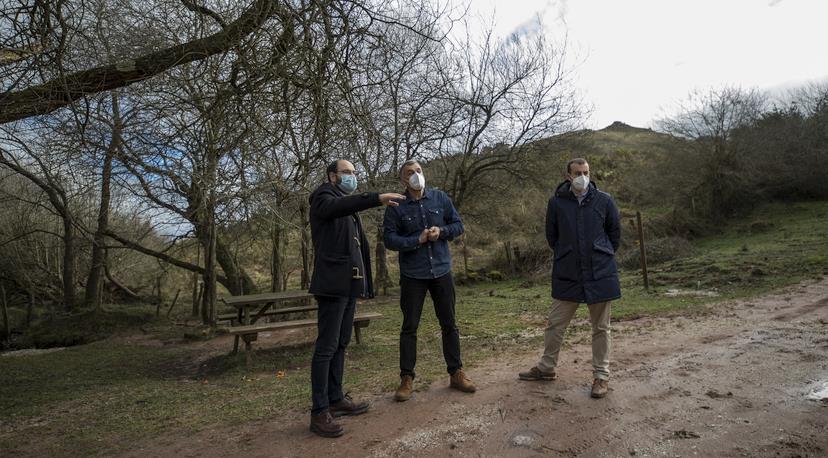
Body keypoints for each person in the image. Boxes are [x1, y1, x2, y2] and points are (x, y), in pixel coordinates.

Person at [308, 159, 405, 438]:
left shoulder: (348, 206)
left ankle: (336, 398)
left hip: (349, 286)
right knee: (326, 347)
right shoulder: (323, 197)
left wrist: (365, 286)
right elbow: (337, 207)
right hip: (331, 285)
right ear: (332, 176)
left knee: (340, 343)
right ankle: (319, 411)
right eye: (346, 172)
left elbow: (357, 249)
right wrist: (375, 198)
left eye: (354, 173)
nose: (352, 176)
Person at [518, 158, 621, 399]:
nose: (582, 176)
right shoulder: (556, 203)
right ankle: (546, 368)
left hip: (599, 272)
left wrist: (600, 253)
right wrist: (567, 254)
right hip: (568, 273)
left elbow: (614, 235)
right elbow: (551, 237)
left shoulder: (604, 200)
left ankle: (601, 377)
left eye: (585, 172)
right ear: (567, 176)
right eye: (577, 172)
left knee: (601, 328)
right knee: (555, 324)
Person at [383, 159, 476, 402]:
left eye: (419, 171)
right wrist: (417, 239)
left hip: (441, 272)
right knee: (409, 327)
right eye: (410, 173)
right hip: (413, 275)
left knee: (449, 324)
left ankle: (456, 373)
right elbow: (390, 240)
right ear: (403, 180)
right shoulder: (396, 205)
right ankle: (406, 378)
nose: (415, 175)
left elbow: (458, 226)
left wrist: (441, 232)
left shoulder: (440, 198)